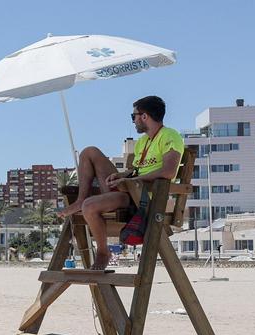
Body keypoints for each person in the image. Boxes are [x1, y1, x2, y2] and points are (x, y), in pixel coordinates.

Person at [59, 95, 184, 270]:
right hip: (129, 188)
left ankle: (103, 252)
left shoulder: (170, 135)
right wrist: (122, 176)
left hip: (142, 198)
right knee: (89, 152)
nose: (133, 121)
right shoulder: (143, 142)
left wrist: (131, 180)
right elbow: (137, 171)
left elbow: (168, 172)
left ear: (144, 116)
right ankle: (80, 199)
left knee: (89, 207)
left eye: (134, 116)